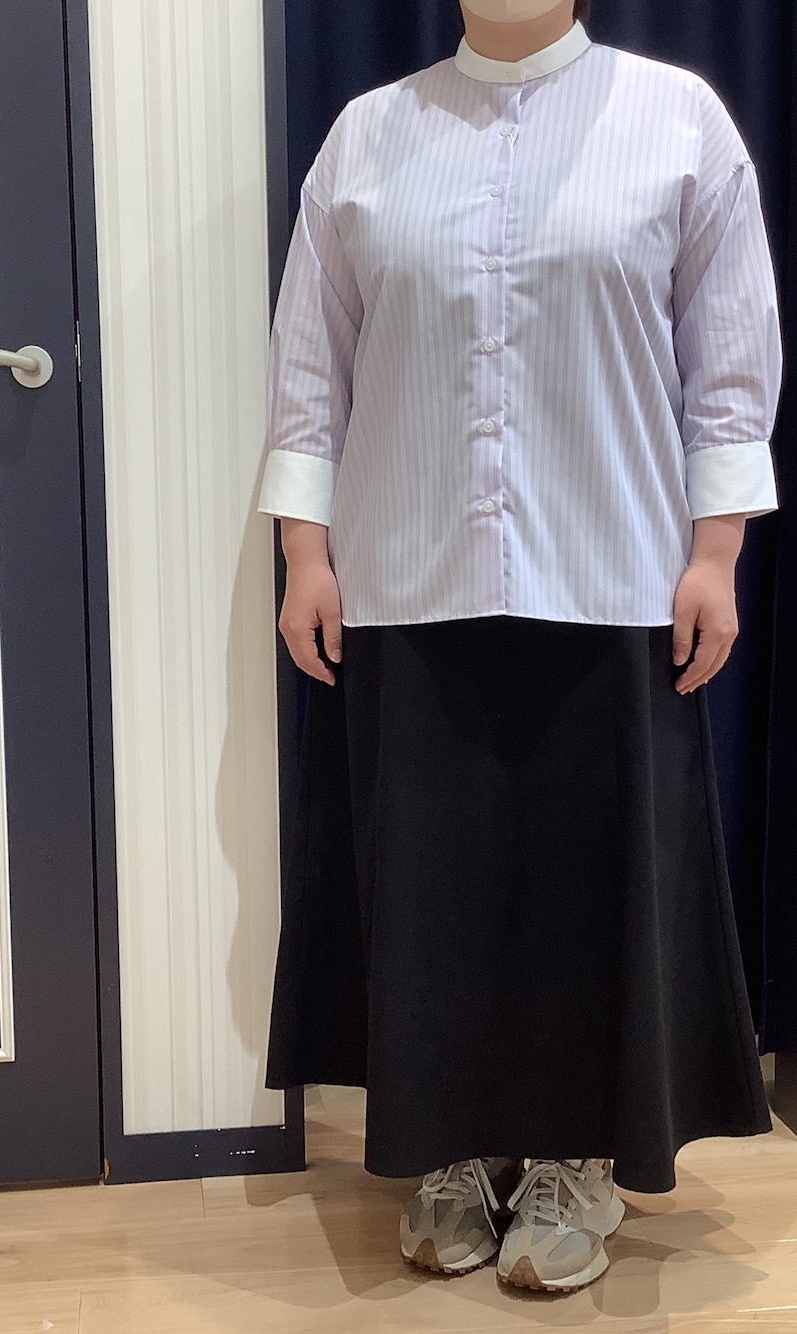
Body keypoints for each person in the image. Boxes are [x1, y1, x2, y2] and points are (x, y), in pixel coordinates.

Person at [256, 0, 782, 1296]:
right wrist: (306, 553)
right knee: (430, 892)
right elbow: (312, 364)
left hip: (611, 576)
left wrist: (715, 552)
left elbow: (727, 360)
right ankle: (448, 1152)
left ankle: (571, 1163)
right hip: (407, 573)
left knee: (586, 895)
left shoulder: (678, 124)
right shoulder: (367, 139)